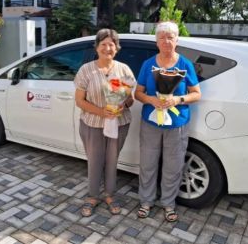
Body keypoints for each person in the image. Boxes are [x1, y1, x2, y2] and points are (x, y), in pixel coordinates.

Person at [135, 21, 201, 222]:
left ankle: (168, 204)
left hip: (177, 124)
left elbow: (196, 94)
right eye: (162, 37)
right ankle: (146, 201)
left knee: (173, 165)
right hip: (151, 122)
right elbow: (138, 93)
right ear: (156, 42)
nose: (166, 41)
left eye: (170, 37)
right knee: (148, 163)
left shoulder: (185, 64)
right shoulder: (148, 64)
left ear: (177, 40)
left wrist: (177, 99)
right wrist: (150, 99)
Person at [74, 29, 135, 217]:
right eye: (103, 44)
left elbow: (131, 99)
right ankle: (92, 196)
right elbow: (80, 101)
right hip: (92, 124)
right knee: (95, 161)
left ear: (116, 48)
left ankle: (110, 195)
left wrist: (123, 104)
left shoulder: (123, 69)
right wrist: (102, 111)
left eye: (111, 44)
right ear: (97, 47)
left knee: (111, 160)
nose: (107, 48)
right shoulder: (86, 70)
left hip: (119, 123)